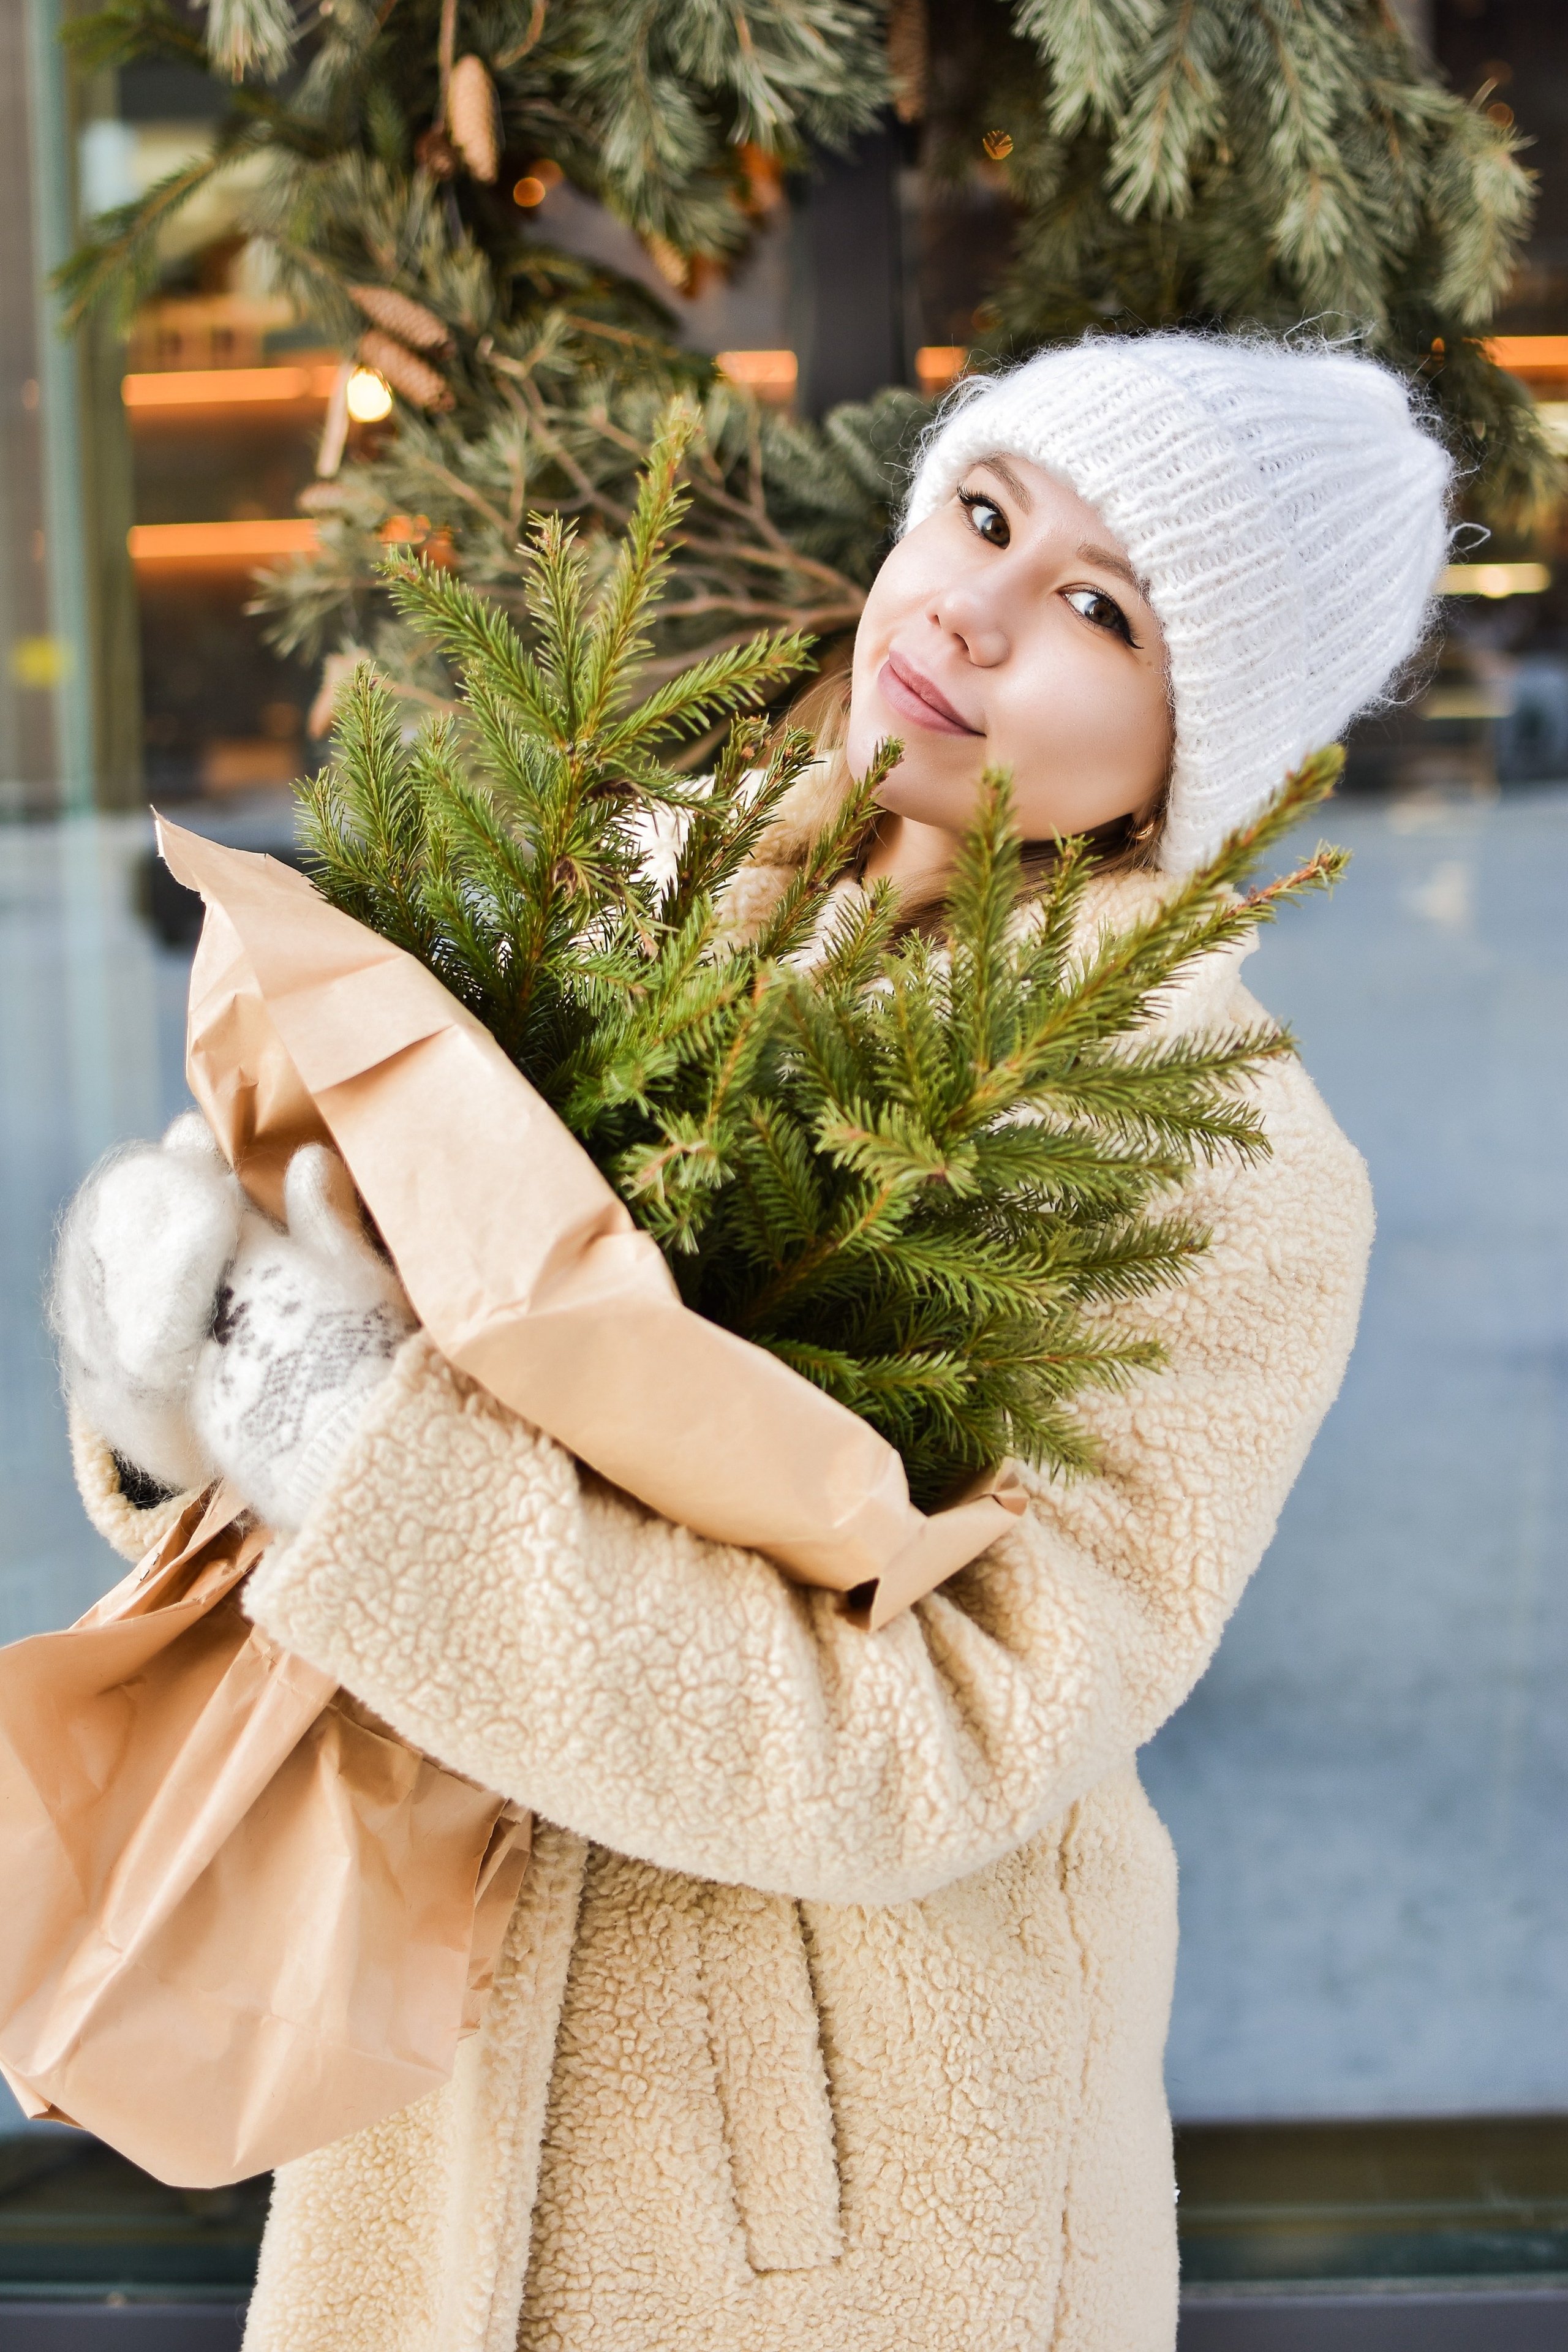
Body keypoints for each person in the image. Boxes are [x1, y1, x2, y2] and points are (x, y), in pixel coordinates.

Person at [53, 333, 1449, 2352]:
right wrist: (179, 1382)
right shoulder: (620, 897)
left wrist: (351, 1449)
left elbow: (940, 1743)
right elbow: (341, 1413)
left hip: (827, 2224)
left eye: (1096, 608)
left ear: (1194, 743)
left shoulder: (1216, 1165)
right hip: (424, 2110)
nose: (972, 608)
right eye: (982, 515)